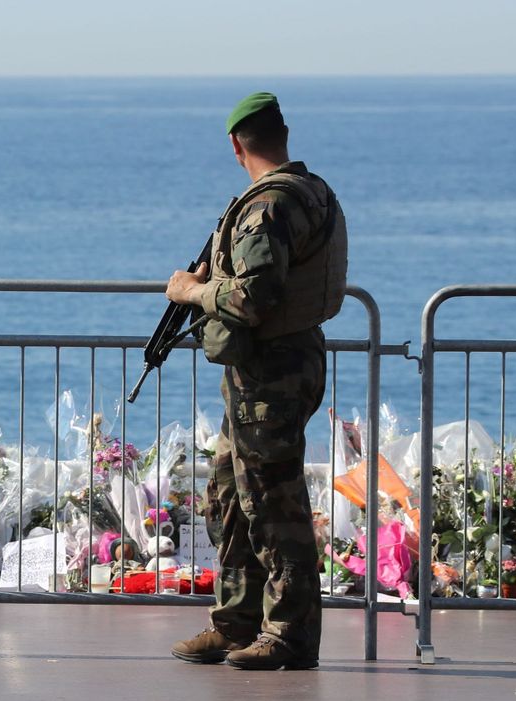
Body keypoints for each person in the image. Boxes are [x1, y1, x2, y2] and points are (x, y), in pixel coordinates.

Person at [164, 92, 348, 670]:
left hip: (272, 372)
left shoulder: (269, 206)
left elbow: (253, 298)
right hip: (272, 369)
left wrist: (190, 291)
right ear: (283, 133)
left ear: (236, 144)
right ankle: (235, 620)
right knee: (230, 496)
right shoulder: (311, 190)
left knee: (272, 502)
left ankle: (289, 632)